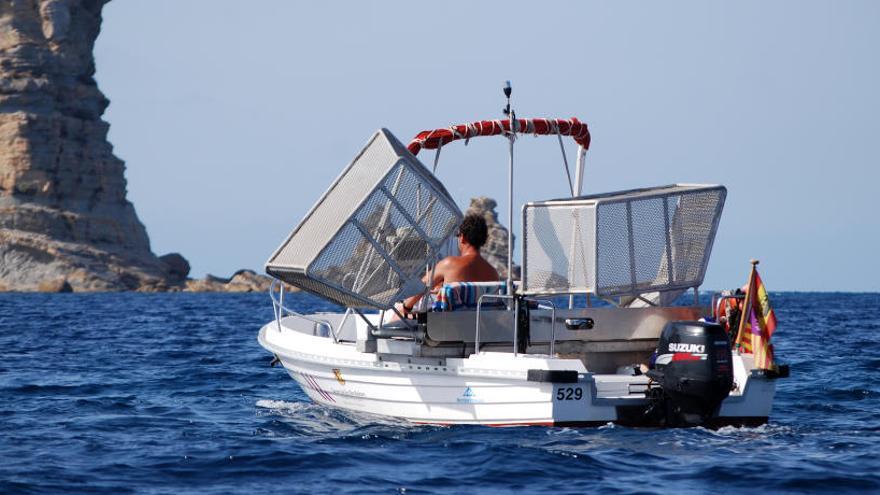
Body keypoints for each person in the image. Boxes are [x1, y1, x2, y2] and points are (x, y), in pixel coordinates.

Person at [397, 213, 499, 316]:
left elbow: (419, 289)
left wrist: (405, 306)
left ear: (462, 237)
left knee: (397, 314)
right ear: (483, 240)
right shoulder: (493, 273)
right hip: (480, 329)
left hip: (450, 328)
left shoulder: (449, 264)